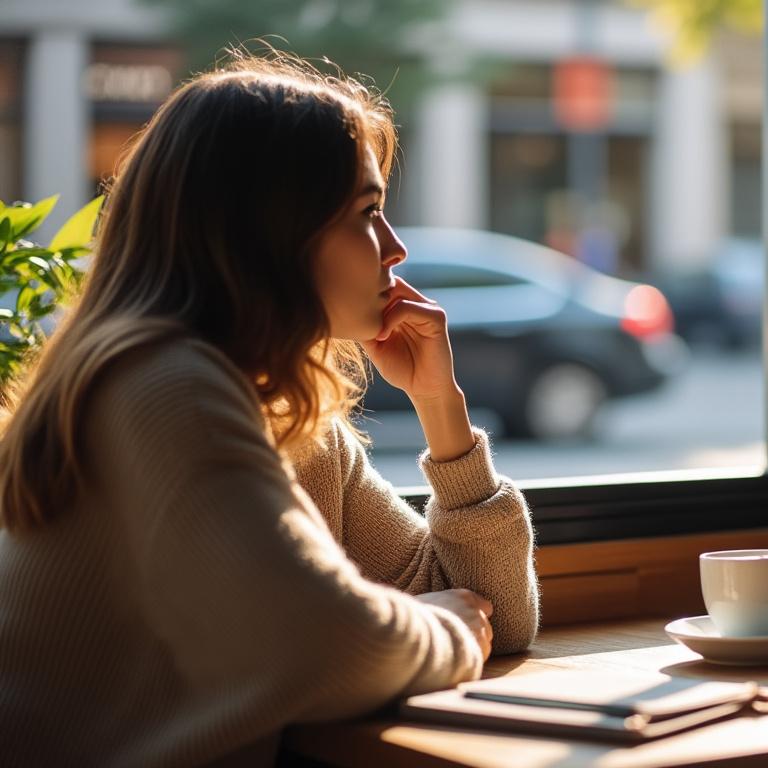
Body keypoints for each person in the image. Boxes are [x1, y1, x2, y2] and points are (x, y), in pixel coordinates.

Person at [0, 52, 538, 766]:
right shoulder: (164, 390)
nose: (396, 249)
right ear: (267, 234)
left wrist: (442, 409)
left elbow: (492, 608)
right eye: (368, 214)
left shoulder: (283, 417)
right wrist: (442, 631)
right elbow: (327, 645)